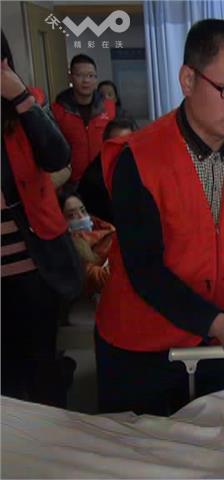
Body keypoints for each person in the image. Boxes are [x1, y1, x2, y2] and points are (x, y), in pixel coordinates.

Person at [96, 18, 224, 416]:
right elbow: (145, 270)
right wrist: (220, 324)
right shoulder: (138, 159)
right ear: (188, 80)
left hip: (210, 338)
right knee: (141, 447)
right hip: (139, 345)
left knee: (214, 440)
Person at [1, 31, 80, 407]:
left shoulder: (25, 103)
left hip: (34, 265)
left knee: (41, 366)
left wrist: (19, 98)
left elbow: (57, 156)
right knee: (6, 375)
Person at [52, 54, 116, 183]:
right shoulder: (57, 110)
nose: (86, 80)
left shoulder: (109, 107)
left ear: (96, 79)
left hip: (104, 179)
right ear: (71, 78)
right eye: (80, 75)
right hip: (70, 182)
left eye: (91, 76)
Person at [78, 118, 136, 223]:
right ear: (105, 145)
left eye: (126, 143)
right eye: (115, 143)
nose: (121, 148)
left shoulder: (137, 166)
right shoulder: (93, 179)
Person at [59, 189, 115, 296]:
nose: (81, 217)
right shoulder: (70, 251)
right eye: (72, 215)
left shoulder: (110, 232)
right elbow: (99, 279)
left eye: (83, 210)